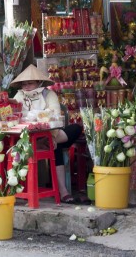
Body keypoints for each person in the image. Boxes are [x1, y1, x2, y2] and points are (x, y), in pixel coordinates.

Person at [9, 64, 82, 204]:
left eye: (30, 83)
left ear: (38, 82)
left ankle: (49, 142)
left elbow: (54, 114)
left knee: (75, 129)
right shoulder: (19, 95)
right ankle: (64, 192)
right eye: (24, 84)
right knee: (56, 148)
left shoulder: (49, 94)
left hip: (51, 133)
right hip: (27, 137)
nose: (27, 86)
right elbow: (16, 114)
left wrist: (51, 135)